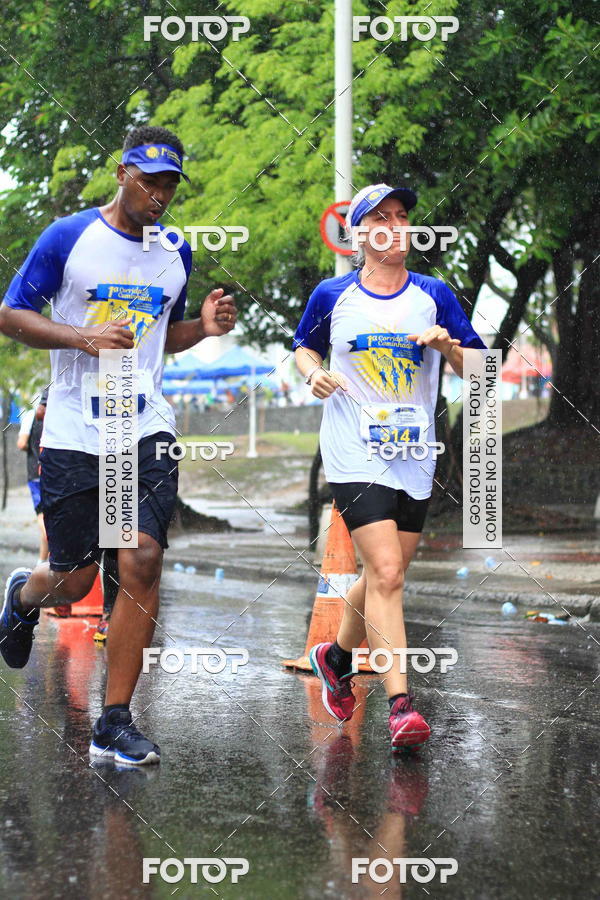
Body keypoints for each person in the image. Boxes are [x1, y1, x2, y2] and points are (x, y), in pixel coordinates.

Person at [0, 125, 237, 765]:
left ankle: (114, 720)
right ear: (121, 173)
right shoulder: (67, 237)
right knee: (75, 579)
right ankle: (24, 596)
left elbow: (163, 336)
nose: (158, 194)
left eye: (169, 185)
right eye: (148, 180)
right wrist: (82, 337)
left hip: (144, 428)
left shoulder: (175, 252)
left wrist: (203, 328)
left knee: (141, 559)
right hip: (77, 430)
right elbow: (10, 315)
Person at [293, 183, 485, 751]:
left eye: (402, 217)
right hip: (353, 452)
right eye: (381, 219)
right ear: (359, 235)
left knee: (385, 575)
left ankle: (335, 658)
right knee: (387, 573)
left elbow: (481, 369)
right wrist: (313, 373)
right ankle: (401, 705)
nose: (396, 226)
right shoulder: (332, 295)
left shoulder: (433, 294)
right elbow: (304, 346)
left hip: (413, 454)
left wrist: (447, 347)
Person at [17, 389, 48, 564]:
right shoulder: (58, 415)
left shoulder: (30, 416)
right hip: (55, 472)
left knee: (42, 517)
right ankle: (42, 562)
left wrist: (31, 447)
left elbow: (21, 443)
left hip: (36, 473)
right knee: (50, 515)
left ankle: (46, 561)